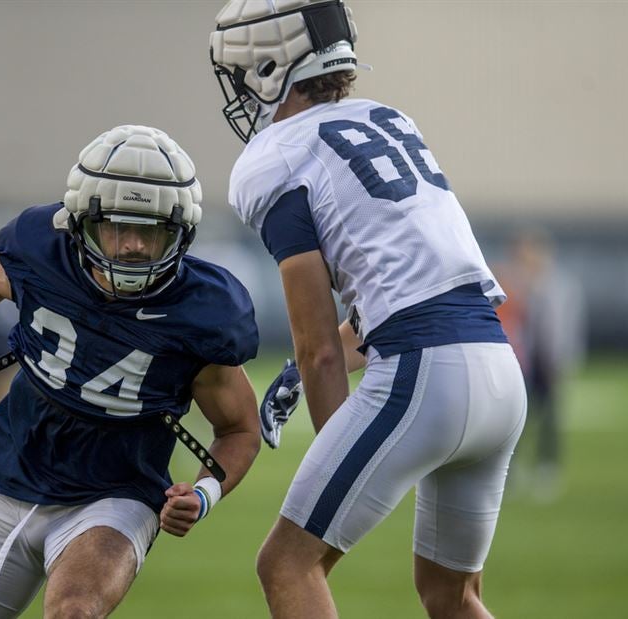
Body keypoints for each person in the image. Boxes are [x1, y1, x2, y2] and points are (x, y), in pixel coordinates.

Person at [0, 125, 262, 618]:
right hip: (11, 472)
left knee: (74, 612)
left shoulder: (203, 311)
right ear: (80, 223)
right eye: (117, 226)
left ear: (182, 233)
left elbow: (240, 427)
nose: (134, 246)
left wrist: (203, 492)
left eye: (153, 230)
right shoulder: (39, 252)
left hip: (115, 494)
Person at [209, 2, 528, 617]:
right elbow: (412, 298)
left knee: (286, 563)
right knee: (452, 596)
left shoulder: (276, 157)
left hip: (423, 379)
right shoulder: (389, 119)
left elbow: (319, 346)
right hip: (495, 368)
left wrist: (339, 456)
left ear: (273, 66)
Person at [496, 229, 585, 501]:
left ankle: (547, 466)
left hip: (550, 357)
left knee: (549, 414)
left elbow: (569, 325)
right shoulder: (512, 283)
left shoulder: (560, 284)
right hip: (523, 359)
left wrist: (567, 358)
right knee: (517, 416)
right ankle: (513, 468)